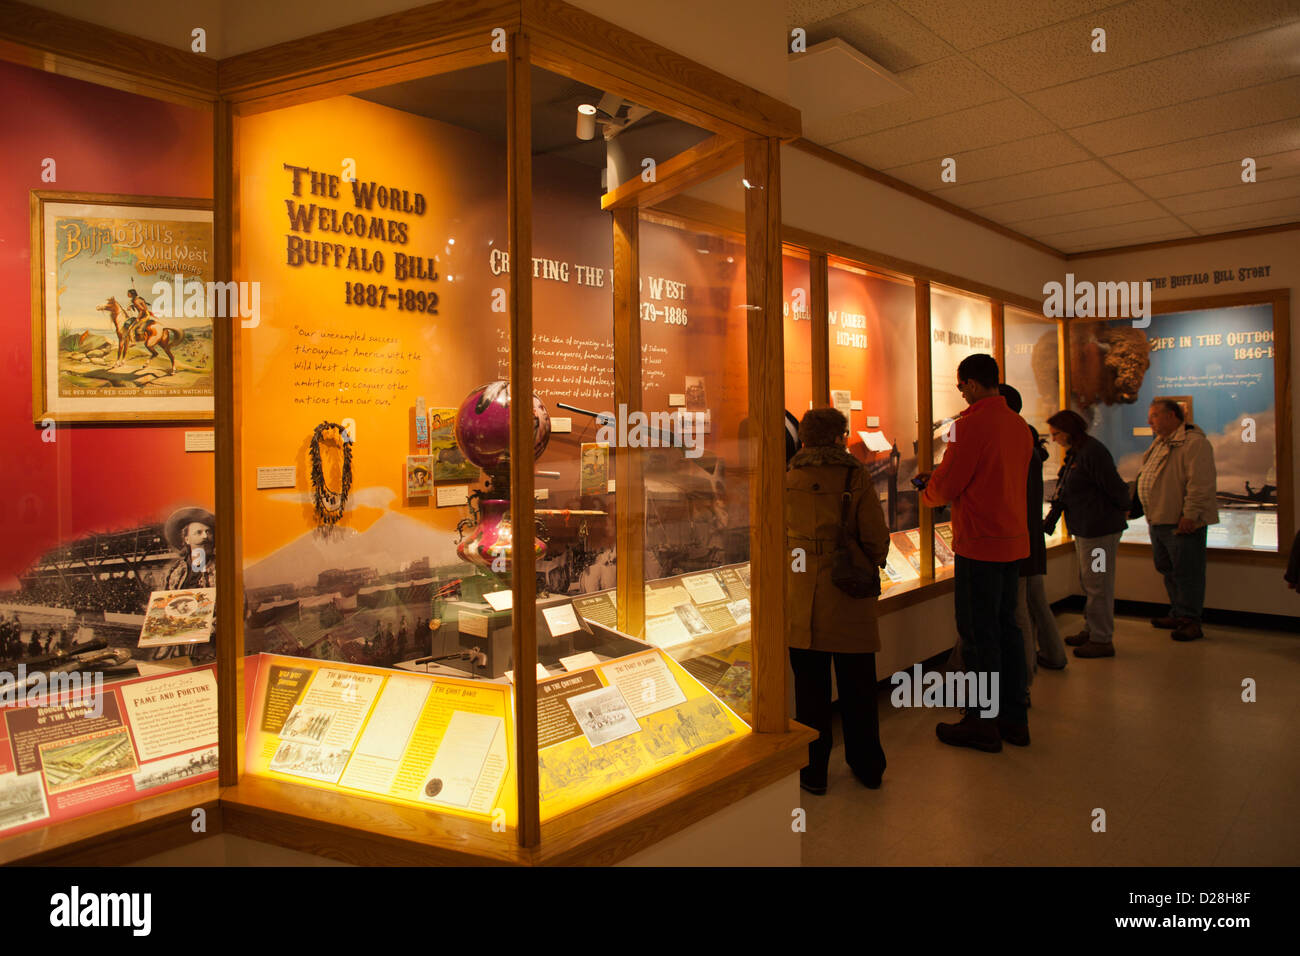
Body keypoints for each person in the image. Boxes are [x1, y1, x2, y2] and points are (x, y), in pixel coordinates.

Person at [917, 354, 1032, 752]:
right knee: (1008, 629)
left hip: (980, 543)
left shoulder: (965, 428)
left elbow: (947, 485)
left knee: (978, 635)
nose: (960, 391)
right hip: (1013, 541)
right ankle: (1014, 719)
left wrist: (927, 492)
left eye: (961, 384)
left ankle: (981, 722)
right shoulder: (1019, 426)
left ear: (971, 384)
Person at [785, 407, 890, 794]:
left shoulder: (789, 478)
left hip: (801, 601)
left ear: (805, 439)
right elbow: (876, 539)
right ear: (838, 437)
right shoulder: (855, 476)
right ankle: (867, 766)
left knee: (810, 694)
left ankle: (813, 773)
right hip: (848, 595)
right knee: (858, 689)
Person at [1044, 410, 1130, 658]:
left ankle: (1101, 638)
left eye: (1056, 433)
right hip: (1087, 529)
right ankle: (1093, 629)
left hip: (1099, 531)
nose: (1054, 439)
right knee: (1091, 582)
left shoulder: (1092, 452)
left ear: (1069, 430)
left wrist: (1123, 508)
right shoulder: (1079, 453)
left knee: (1098, 584)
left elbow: (1114, 486)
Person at [999, 385, 1066, 687]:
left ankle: (1023, 677)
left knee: (1019, 610)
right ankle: (1051, 656)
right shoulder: (1026, 439)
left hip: (1017, 537)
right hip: (1029, 536)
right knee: (1033, 602)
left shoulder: (1014, 439)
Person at [1136, 399, 1217, 642]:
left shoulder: (1194, 444)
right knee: (1168, 569)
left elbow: (1200, 483)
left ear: (1172, 416)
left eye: (1155, 416)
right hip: (1159, 518)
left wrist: (1190, 514)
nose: (1150, 421)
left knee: (1187, 572)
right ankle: (1178, 613)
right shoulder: (1161, 443)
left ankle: (1190, 621)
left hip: (1180, 521)